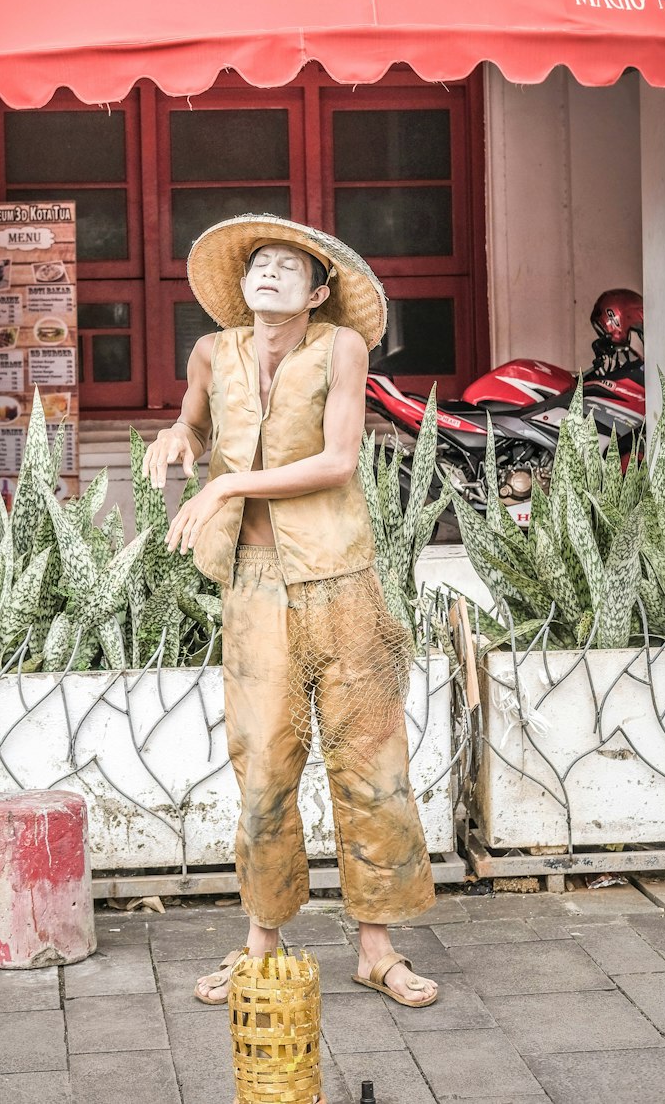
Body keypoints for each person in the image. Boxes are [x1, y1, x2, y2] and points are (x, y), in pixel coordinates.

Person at [143, 214, 438, 1011]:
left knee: (371, 766)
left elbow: (339, 459)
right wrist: (179, 434)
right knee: (264, 768)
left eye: (288, 267)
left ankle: (376, 950)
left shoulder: (342, 347)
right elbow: (197, 420)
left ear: (317, 292)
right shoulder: (214, 352)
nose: (269, 273)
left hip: (342, 576)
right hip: (255, 584)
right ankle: (261, 944)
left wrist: (225, 485)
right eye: (259, 264)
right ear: (241, 288)